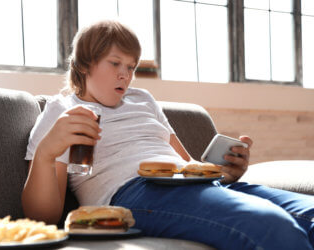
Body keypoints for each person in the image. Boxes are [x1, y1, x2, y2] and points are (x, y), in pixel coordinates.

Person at [22, 20, 314, 249]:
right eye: (115, 63)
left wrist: (224, 172)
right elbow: (42, 217)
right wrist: (47, 151)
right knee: (270, 224)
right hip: (134, 193)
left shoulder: (144, 99)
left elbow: (187, 163)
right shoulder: (62, 110)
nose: (125, 74)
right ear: (84, 64)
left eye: (131, 66)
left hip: (191, 184)